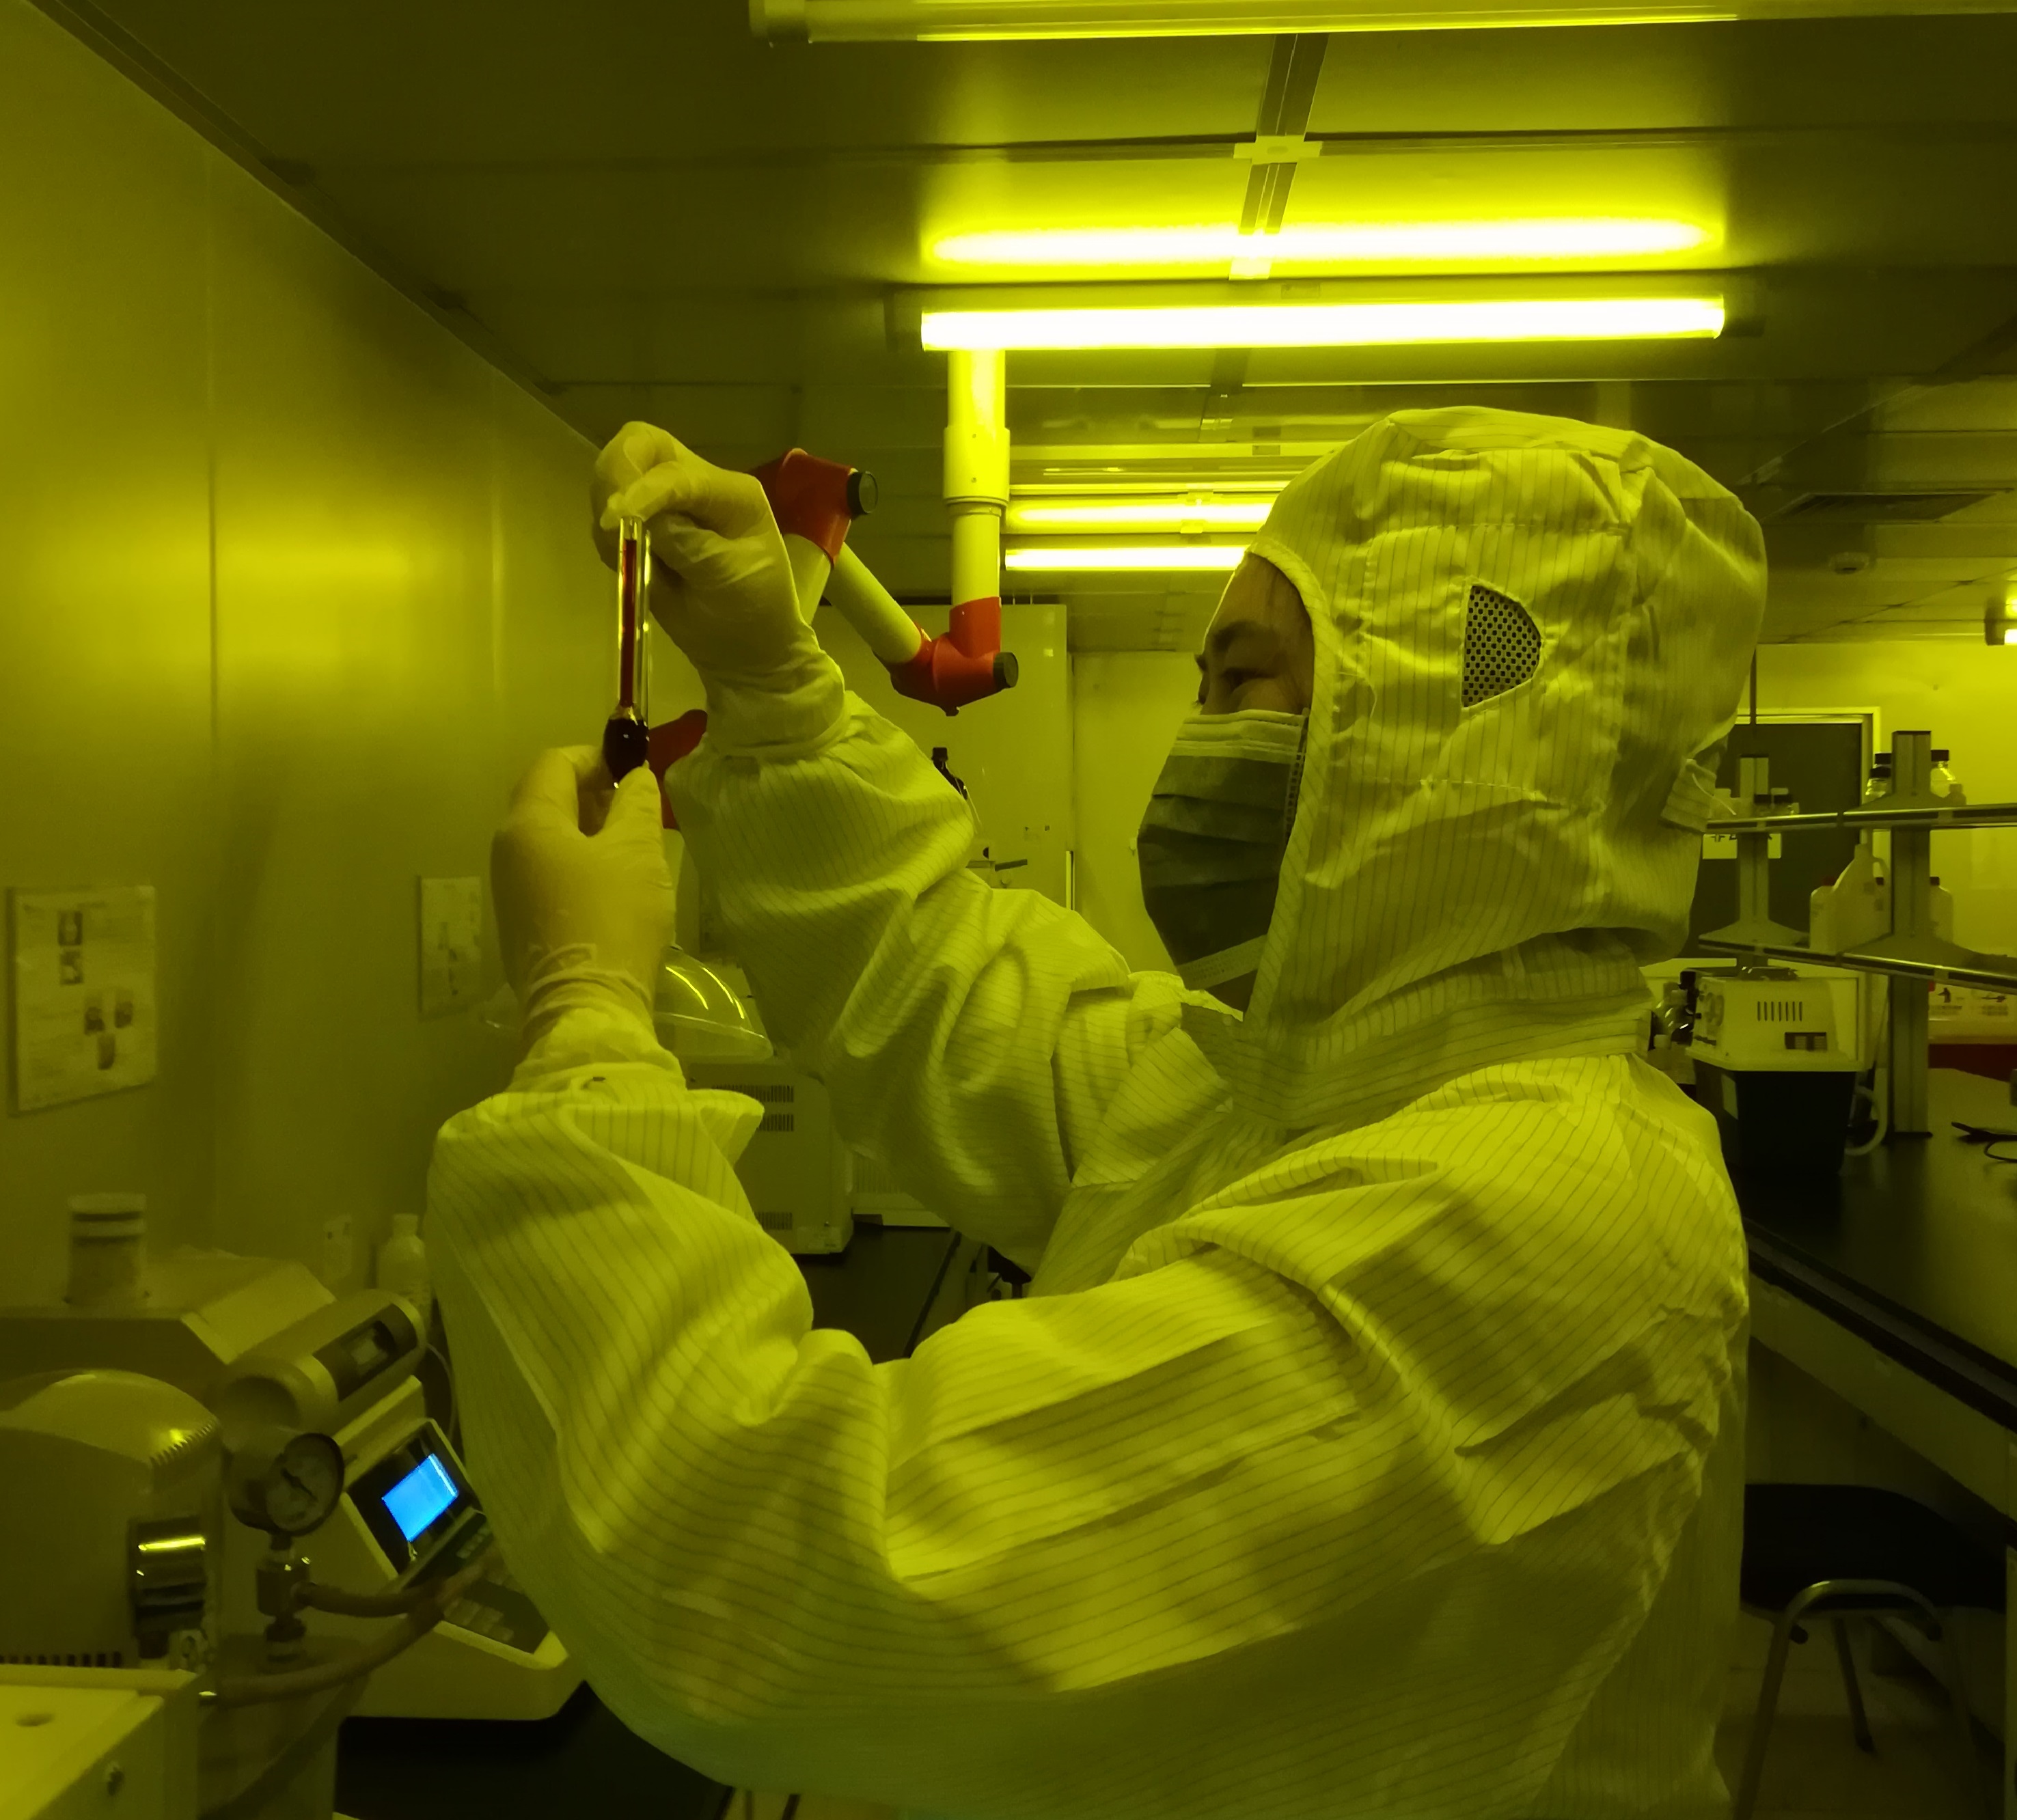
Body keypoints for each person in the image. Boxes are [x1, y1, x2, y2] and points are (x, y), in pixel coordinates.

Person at [428, 406, 1765, 1820]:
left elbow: (770, 1576)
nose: (1197, 744)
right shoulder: (1318, 1089)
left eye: (1244, 680)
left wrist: (588, 1023)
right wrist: (775, 689)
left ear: (1446, 733)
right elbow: (952, 984)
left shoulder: (1530, 1221)